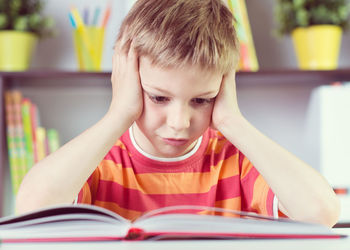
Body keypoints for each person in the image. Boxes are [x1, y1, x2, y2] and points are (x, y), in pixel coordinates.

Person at [16, 0, 340, 227]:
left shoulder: (235, 163)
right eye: (159, 97)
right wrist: (119, 113)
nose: (179, 123)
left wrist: (232, 121)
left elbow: (321, 213)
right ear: (127, 80)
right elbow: (31, 208)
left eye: (201, 100)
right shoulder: (100, 162)